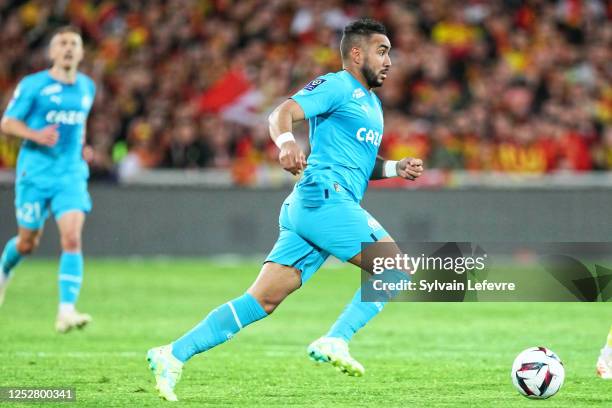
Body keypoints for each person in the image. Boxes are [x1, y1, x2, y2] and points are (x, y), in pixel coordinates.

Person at [147, 18, 423, 401]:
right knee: (395, 267)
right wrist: (286, 143)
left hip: (314, 206)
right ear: (356, 53)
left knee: (262, 300)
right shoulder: (337, 85)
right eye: (382, 50)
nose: (389, 59)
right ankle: (336, 339)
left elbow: (359, 163)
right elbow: (281, 112)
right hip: (324, 197)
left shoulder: (372, 104)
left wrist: (395, 168)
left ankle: (172, 354)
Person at [0, 26, 96, 333]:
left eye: (74, 44)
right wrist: (35, 134)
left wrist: (84, 148)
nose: (68, 48)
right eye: (62, 44)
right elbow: (7, 122)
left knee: (71, 237)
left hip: (70, 174)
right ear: (52, 52)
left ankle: (66, 311)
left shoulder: (87, 87)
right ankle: (4, 270)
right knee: (28, 243)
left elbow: (77, 128)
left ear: (81, 53)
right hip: (35, 173)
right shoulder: (34, 85)